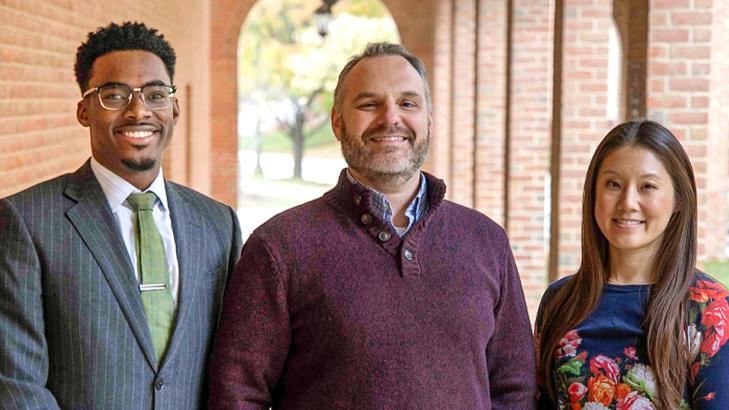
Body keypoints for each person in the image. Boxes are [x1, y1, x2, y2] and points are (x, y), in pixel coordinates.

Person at [209, 42, 536, 409]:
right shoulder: (279, 247)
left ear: (429, 119)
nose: (390, 118)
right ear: (337, 122)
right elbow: (237, 393)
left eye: (408, 103)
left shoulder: (486, 241)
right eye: (369, 104)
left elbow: (515, 388)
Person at [0, 22, 242, 409]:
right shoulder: (27, 222)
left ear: (174, 108)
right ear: (84, 109)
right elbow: (14, 380)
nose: (138, 110)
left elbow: (236, 368)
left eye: (155, 94)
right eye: (114, 94)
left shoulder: (218, 224)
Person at [535, 120, 729, 409]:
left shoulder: (708, 309)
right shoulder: (560, 302)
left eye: (647, 186)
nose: (628, 202)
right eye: (613, 184)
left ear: (678, 199)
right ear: (593, 194)